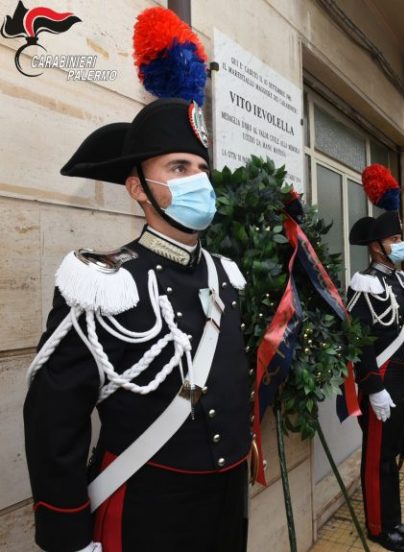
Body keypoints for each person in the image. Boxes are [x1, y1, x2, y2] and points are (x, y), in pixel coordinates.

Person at [24, 99, 252, 552]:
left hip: (228, 499)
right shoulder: (105, 283)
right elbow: (54, 418)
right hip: (147, 506)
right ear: (138, 188)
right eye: (179, 167)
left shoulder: (226, 275)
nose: (198, 180)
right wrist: (68, 535)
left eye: (202, 168)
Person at [347, 208, 404, 552]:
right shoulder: (364, 282)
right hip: (383, 377)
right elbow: (358, 340)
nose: (400, 244)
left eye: (399, 238)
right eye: (394, 239)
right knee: (378, 456)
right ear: (377, 247)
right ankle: (379, 526)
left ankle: (393, 519)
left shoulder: (400, 279)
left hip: (403, 374)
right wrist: (373, 387)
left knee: (394, 452)